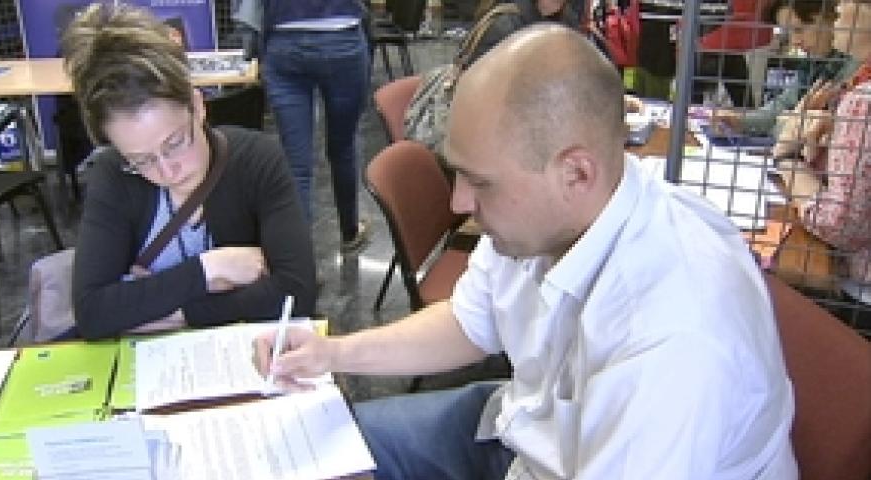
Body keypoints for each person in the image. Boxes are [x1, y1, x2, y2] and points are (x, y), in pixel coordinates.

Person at [254, 25, 797, 479]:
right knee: (307, 451)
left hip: (557, 450)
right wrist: (332, 354)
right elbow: (470, 320)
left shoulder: (671, 339)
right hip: (526, 428)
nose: (459, 202)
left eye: (480, 182)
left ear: (575, 173)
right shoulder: (545, 223)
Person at [65, 4, 316, 340]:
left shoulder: (257, 160)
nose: (167, 171)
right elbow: (93, 313)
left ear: (197, 106)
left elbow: (297, 292)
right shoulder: (114, 174)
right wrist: (210, 269)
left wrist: (171, 310)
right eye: (141, 160)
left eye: (175, 144)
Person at [235, 0, 371, 253]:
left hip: (283, 39)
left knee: (297, 165)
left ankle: (301, 260)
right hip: (341, 35)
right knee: (343, 147)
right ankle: (350, 231)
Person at [777, 0, 871, 333]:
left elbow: (839, 225)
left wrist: (786, 158)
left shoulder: (863, 100)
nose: (839, 8)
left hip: (859, 299)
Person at [716, 0, 859, 136]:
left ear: (831, 17)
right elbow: (782, 105)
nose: (794, 41)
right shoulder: (814, 65)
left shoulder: (855, 68)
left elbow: (807, 131)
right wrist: (740, 121)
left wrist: (786, 124)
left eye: (798, 30)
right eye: (789, 33)